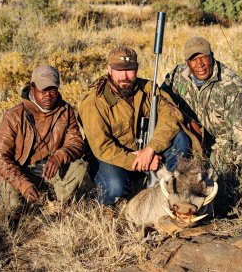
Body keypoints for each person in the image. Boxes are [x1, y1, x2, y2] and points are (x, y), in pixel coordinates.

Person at [79, 46, 192, 206]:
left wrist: (150, 149)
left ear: (137, 68)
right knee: (115, 187)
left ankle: (177, 188)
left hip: (145, 151)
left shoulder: (147, 89)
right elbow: (102, 148)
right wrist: (138, 161)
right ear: (109, 69)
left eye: (130, 69)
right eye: (119, 70)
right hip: (111, 158)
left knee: (180, 138)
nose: (125, 76)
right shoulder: (94, 102)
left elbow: (171, 114)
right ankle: (106, 204)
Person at [162, 37, 242, 214]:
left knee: (215, 188)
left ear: (212, 56)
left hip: (221, 145)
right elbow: (161, 104)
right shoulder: (176, 77)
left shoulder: (231, 86)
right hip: (192, 142)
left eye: (203, 57)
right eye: (193, 60)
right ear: (186, 62)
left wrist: (240, 176)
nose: (199, 64)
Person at [0, 65, 87, 218]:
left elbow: (76, 142)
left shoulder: (66, 110)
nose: (48, 96)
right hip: (21, 170)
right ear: (32, 88)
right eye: (43, 90)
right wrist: (23, 184)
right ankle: (26, 208)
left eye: (53, 90)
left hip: (51, 170)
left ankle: (56, 205)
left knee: (79, 168)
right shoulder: (13, 116)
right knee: (13, 208)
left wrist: (59, 156)